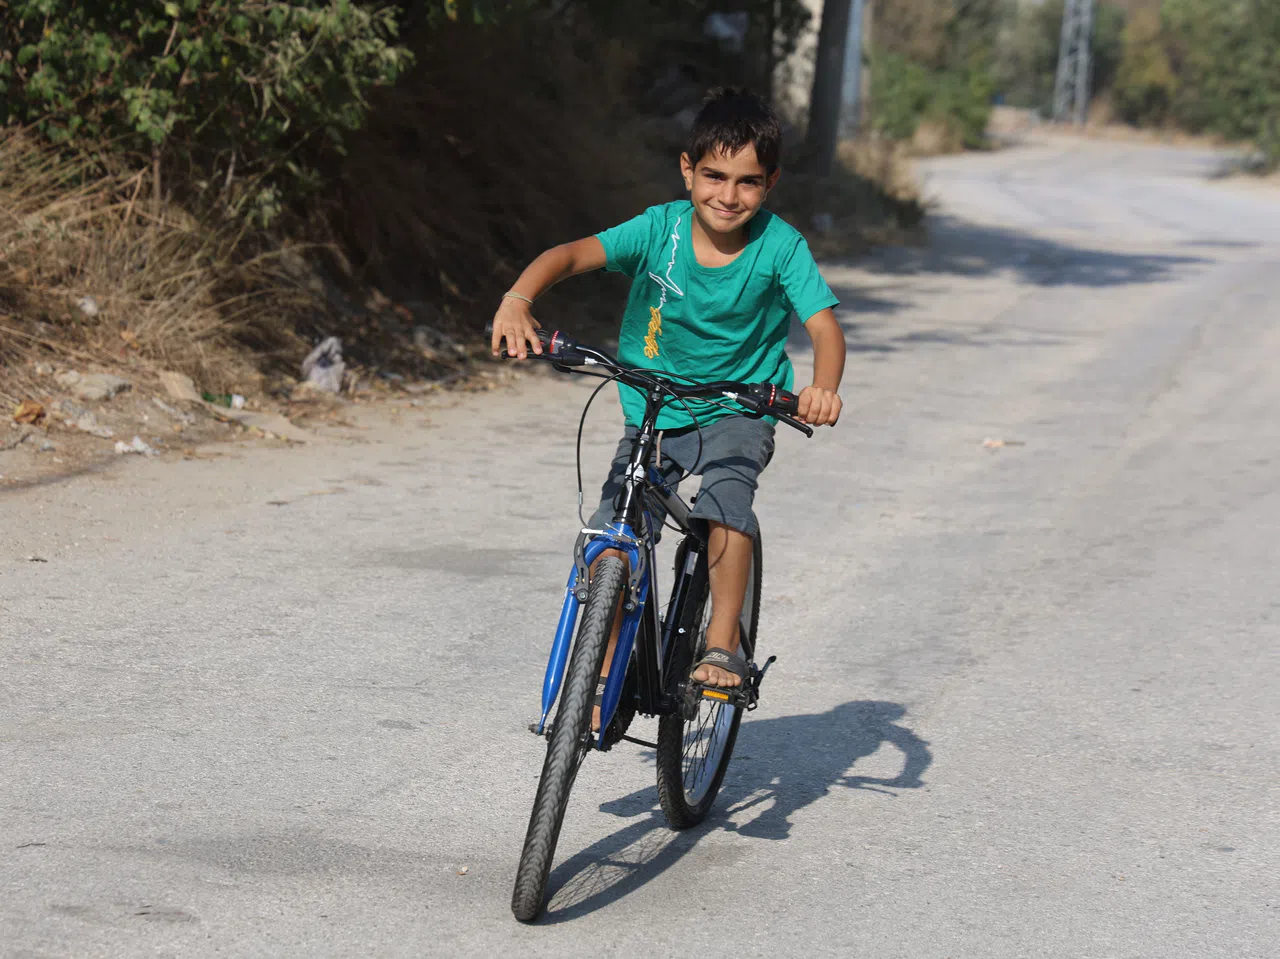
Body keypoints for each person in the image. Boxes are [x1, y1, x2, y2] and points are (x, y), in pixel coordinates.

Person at [488, 87, 846, 716]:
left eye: (748, 182)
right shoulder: (658, 229)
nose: (727, 196)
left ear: (771, 183)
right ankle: (596, 678)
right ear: (687, 170)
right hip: (654, 404)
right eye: (713, 176)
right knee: (614, 526)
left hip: (740, 406)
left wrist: (822, 386)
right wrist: (518, 300)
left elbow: (823, 327)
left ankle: (720, 647)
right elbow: (569, 255)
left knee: (724, 505)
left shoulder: (781, 246)